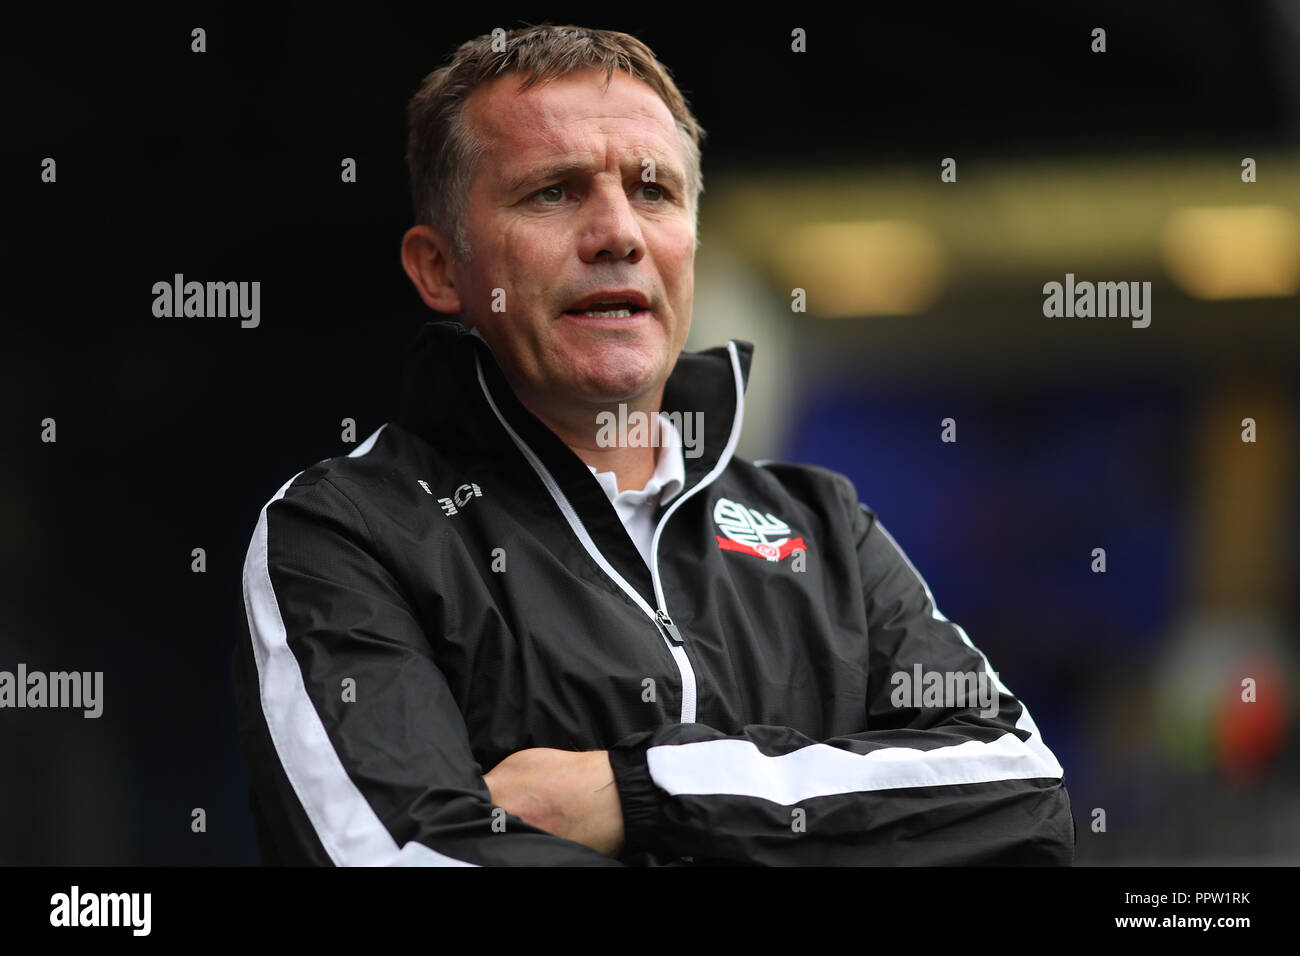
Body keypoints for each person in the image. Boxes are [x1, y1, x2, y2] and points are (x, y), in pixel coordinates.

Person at [232, 23, 1075, 866]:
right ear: (440, 269)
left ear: (690, 249)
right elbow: (401, 858)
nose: (618, 233)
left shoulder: (825, 528)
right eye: (553, 192)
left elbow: (1020, 796)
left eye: (654, 192)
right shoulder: (346, 535)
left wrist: (638, 794)